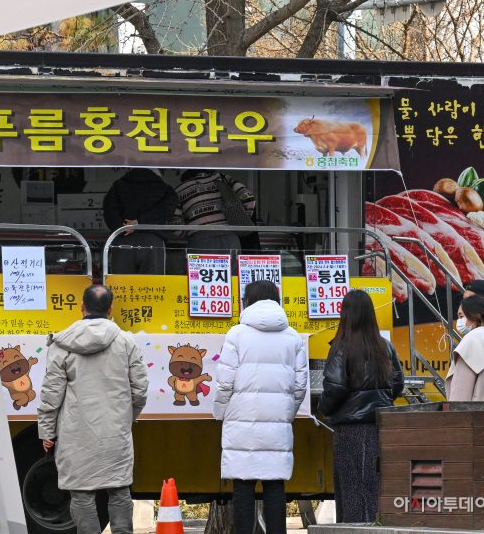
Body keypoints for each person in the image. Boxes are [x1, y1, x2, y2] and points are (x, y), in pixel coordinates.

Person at [37, 284, 149, 534]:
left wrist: (47, 431)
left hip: (75, 435)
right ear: (110, 309)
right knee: (119, 490)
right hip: (115, 433)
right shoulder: (126, 342)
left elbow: (51, 394)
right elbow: (140, 389)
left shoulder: (61, 343)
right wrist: (126, 418)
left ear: (81, 307)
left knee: (81, 495)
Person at [213, 280, 308, 534]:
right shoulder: (293, 337)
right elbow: (300, 387)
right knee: (275, 486)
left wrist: (221, 413)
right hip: (278, 422)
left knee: (243, 486)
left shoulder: (236, 334)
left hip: (241, 420)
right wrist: (287, 413)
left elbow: (224, 382)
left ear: (247, 301)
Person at [318, 290, 404, 524]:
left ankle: (353, 529)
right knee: (374, 486)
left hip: (349, 430)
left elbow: (335, 388)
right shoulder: (385, 346)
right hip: (379, 427)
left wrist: (324, 408)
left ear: (346, 315)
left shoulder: (341, 347)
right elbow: (398, 384)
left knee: (351, 488)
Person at [103, 168, 178, 274]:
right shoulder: (165, 189)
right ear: (158, 175)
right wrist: (139, 223)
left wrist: (124, 226)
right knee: (151, 285)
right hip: (152, 241)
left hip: (122, 240)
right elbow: (164, 211)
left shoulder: (117, 186)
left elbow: (109, 211)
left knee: (121, 285)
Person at [172, 170, 256, 254]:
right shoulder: (221, 177)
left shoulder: (180, 190)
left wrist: (188, 232)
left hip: (199, 238)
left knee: (201, 267)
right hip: (229, 236)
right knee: (230, 266)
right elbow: (249, 199)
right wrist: (240, 220)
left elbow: (176, 224)